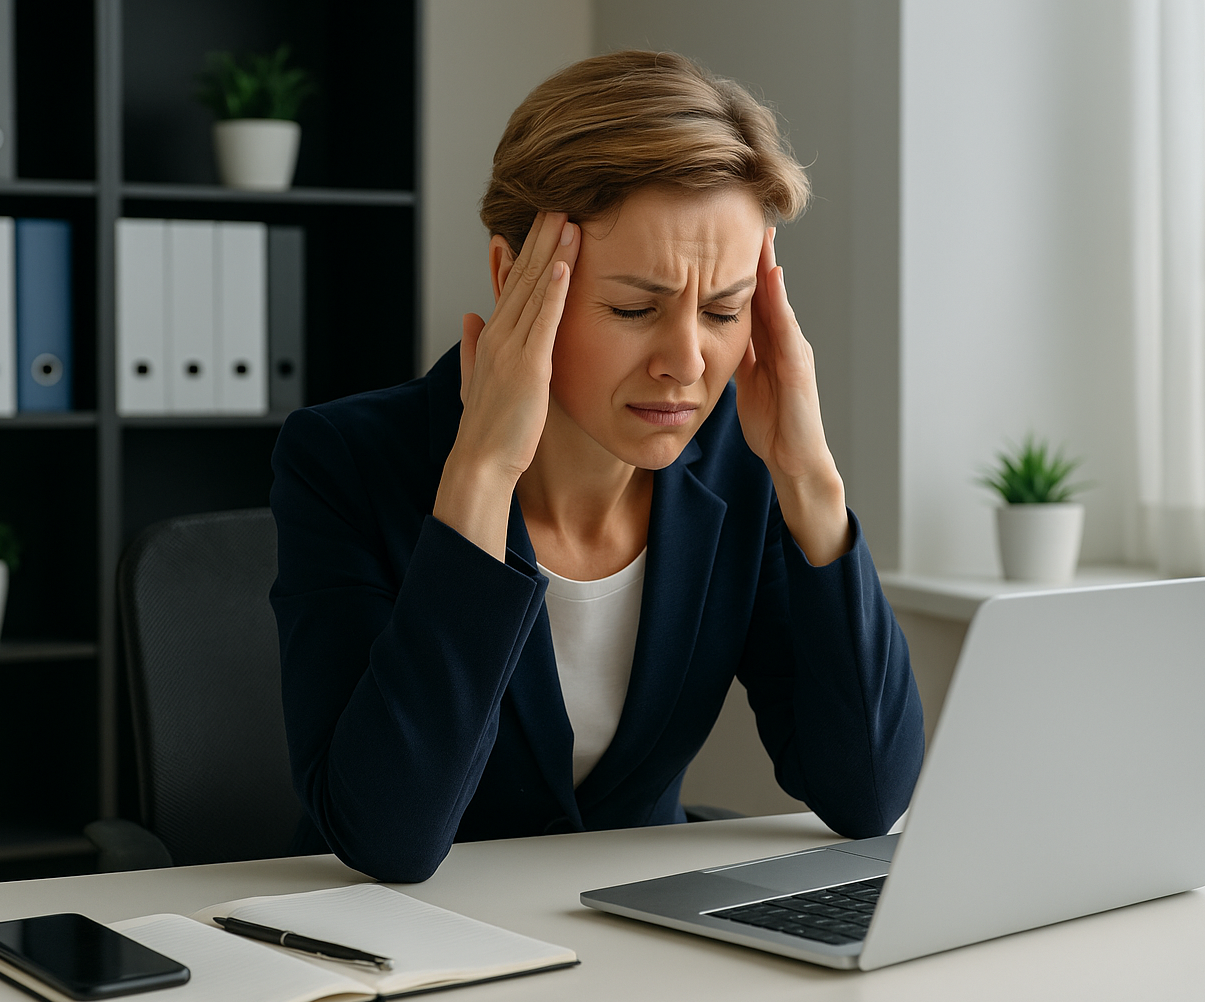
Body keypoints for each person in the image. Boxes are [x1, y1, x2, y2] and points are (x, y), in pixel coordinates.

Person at [270, 51, 924, 883]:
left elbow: (867, 795)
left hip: (630, 947)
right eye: (634, 308)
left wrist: (810, 480)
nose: (686, 361)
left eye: (724, 310)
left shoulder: (743, 469)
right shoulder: (345, 461)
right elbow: (387, 839)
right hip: (396, 949)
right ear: (516, 280)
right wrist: (480, 475)